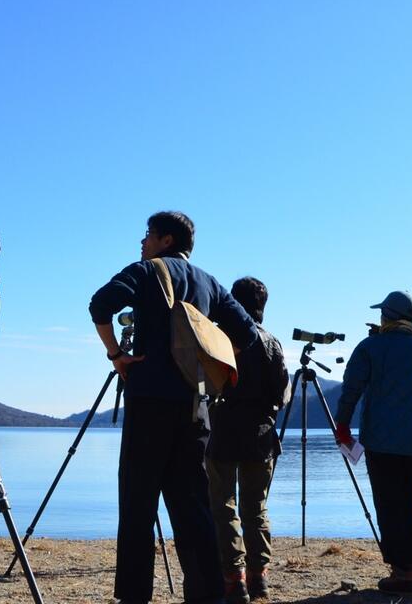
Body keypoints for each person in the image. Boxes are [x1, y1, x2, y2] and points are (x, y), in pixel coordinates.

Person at [89, 211, 261, 604]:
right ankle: (209, 595)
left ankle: (134, 597)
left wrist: (116, 353)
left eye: (148, 235)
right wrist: (211, 363)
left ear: (166, 240)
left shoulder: (146, 271)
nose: (143, 242)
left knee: (138, 506)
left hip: (149, 401)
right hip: (194, 406)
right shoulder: (209, 282)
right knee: (194, 507)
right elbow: (247, 334)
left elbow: (100, 304)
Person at [335, 290, 412, 593]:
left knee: (388, 505)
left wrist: (343, 424)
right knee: (408, 502)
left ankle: (402, 572)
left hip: (380, 442)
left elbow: (352, 389)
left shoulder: (371, 347)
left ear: (386, 316)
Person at [205, 276, 290, 603]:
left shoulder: (220, 339)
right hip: (260, 434)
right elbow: (281, 393)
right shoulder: (272, 342)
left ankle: (233, 578)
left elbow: (207, 383)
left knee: (222, 505)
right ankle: (259, 578)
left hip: (223, 429)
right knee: (256, 507)